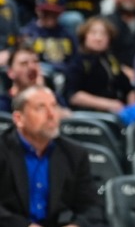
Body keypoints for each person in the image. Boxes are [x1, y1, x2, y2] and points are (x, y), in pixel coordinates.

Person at [0, 85, 107, 226]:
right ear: (19, 119)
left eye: (54, 106)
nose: (51, 114)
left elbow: (92, 208)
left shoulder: (74, 153)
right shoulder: (3, 149)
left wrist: (77, 225)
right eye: (41, 108)